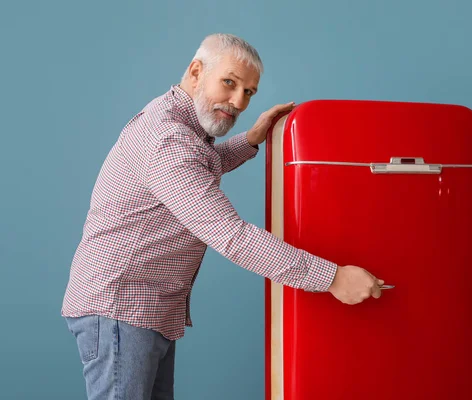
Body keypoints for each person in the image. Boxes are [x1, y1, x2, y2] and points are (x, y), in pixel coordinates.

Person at [61, 33, 385, 400]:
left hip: (140, 309)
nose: (238, 101)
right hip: (122, 309)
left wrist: (251, 138)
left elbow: (200, 167)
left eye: (248, 92)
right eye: (229, 83)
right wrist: (331, 278)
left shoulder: (183, 130)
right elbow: (231, 235)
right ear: (196, 71)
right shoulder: (169, 140)